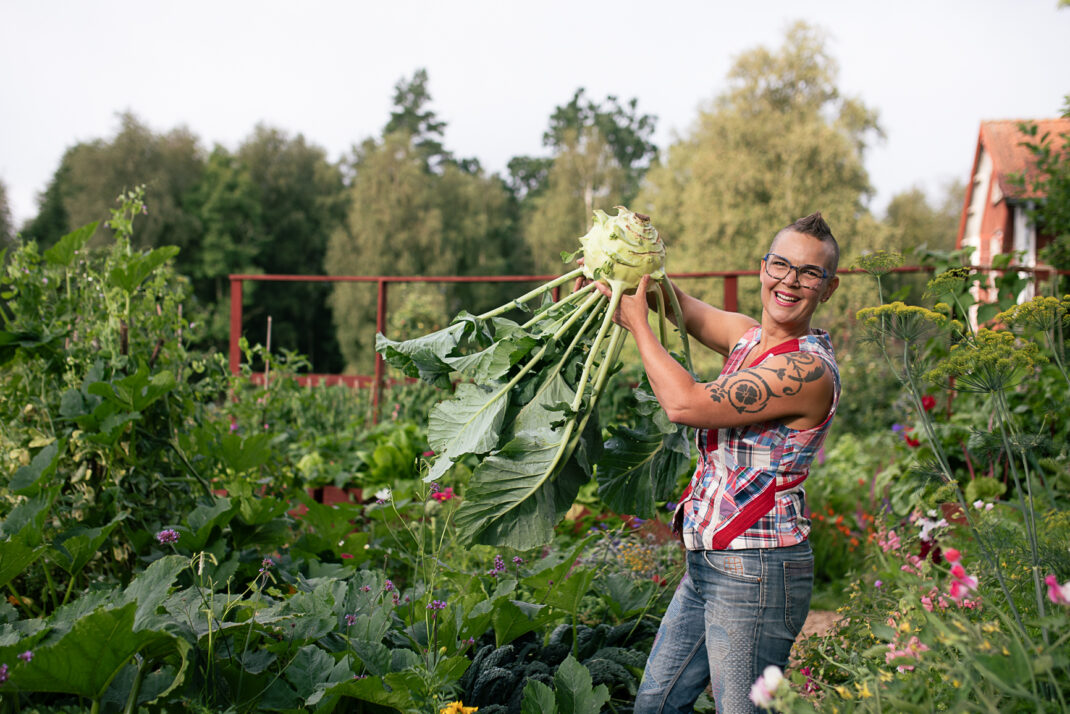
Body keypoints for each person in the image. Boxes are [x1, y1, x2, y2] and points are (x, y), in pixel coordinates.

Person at [593, 212, 841, 713]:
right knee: (656, 706)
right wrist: (627, 259)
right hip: (709, 560)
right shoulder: (747, 337)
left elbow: (685, 404)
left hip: (760, 568)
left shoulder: (807, 370)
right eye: (781, 265)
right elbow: (677, 304)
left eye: (809, 273)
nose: (790, 281)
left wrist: (637, 325)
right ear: (762, 268)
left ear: (828, 289)